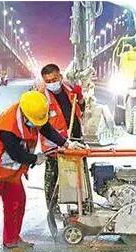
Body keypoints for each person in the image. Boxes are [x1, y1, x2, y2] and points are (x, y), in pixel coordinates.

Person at [0, 91, 72, 252]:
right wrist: (35, 158)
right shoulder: (7, 124)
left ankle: (12, 239)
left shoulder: (33, 114)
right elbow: (15, 153)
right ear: (23, 112)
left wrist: (66, 142)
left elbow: (46, 129)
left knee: (16, 202)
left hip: (11, 171)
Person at [39, 63, 85, 208]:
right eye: (48, 81)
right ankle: (53, 208)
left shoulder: (69, 90)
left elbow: (80, 109)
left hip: (76, 140)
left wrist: (81, 98)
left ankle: (82, 204)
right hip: (55, 145)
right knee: (53, 177)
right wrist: (62, 141)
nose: (52, 83)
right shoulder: (41, 98)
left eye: (54, 79)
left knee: (78, 175)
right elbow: (42, 126)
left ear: (60, 76)